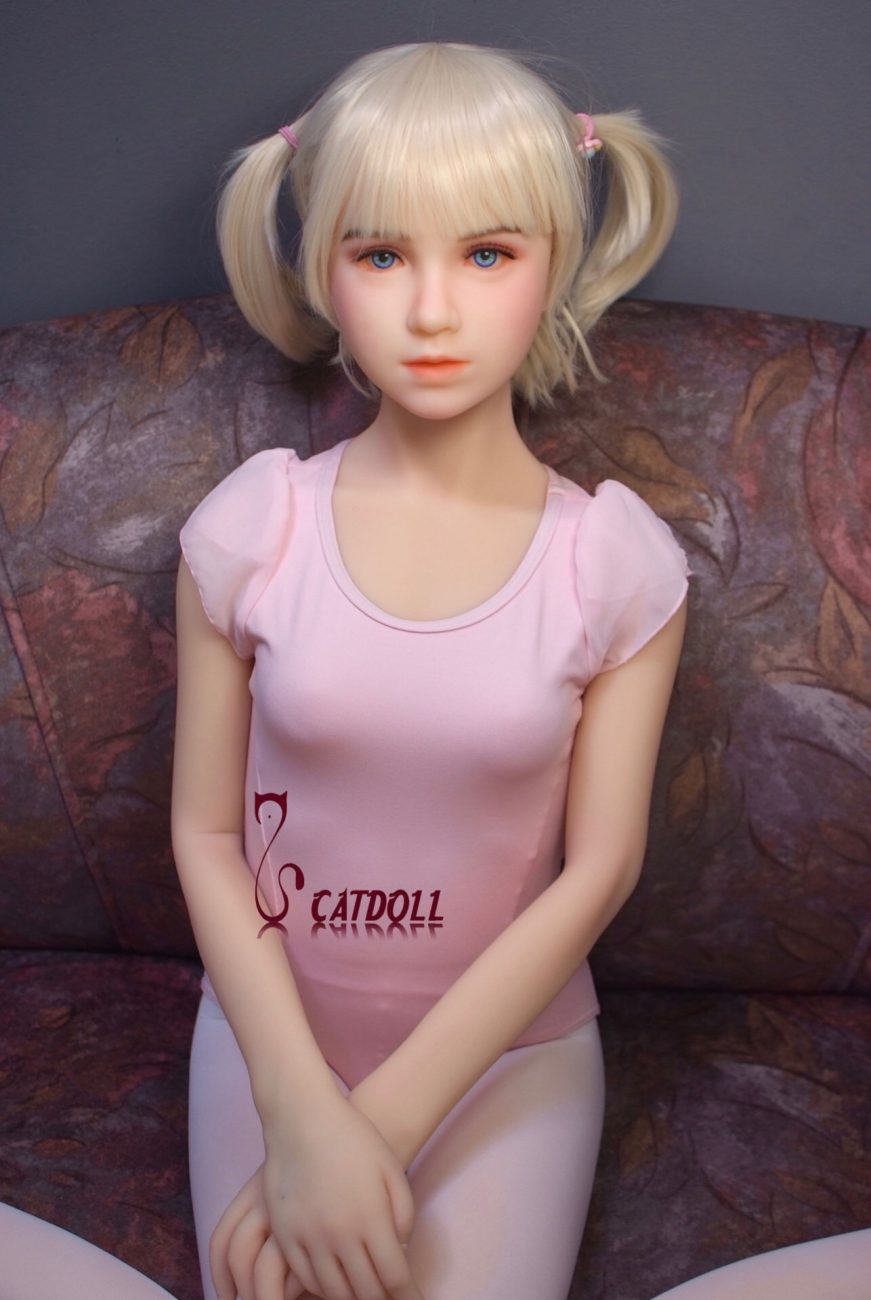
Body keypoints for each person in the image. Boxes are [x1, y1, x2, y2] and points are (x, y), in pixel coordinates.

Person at [6, 35, 868, 1300]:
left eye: (486, 254)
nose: (429, 311)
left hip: (509, 1060)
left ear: (553, 262)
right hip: (271, 1041)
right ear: (323, 268)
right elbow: (206, 834)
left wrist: (383, 1127)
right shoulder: (253, 530)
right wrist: (303, 1112)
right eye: (379, 254)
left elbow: (599, 868)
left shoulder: (611, 562)